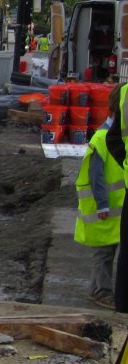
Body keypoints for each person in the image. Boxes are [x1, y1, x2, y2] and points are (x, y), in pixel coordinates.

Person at [78, 84, 126, 310]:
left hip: (114, 210)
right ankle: (101, 292)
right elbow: (95, 176)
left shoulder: (110, 137)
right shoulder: (101, 139)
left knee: (106, 252)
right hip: (104, 209)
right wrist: (102, 204)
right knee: (104, 253)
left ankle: (97, 289)